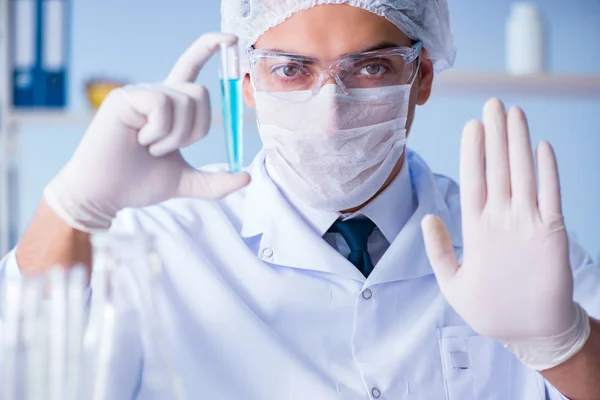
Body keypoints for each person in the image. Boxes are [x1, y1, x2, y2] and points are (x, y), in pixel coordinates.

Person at [1, 1, 599, 399]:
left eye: (370, 66)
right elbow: (20, 376)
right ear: (247, 82)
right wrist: (72, 208)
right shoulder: (160, 243)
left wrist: (562, 345)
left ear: (422, 77)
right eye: (291, 69)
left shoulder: (517, 247)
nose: (330, 105)